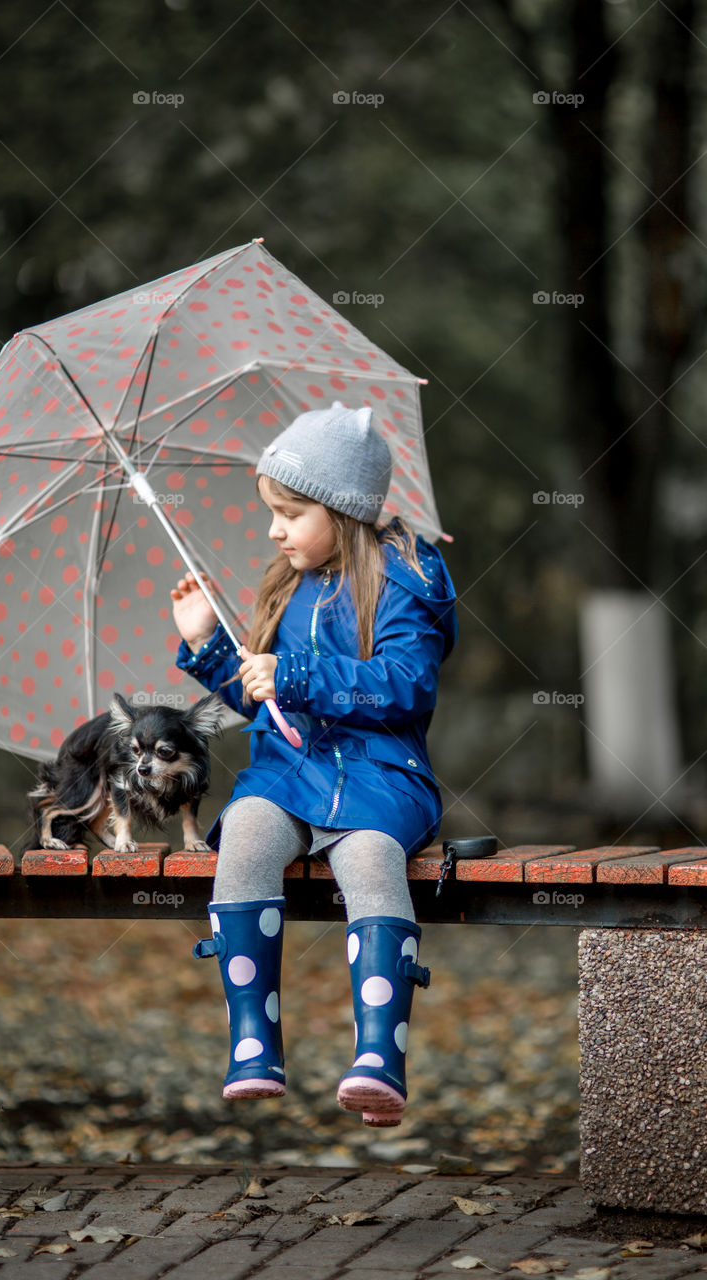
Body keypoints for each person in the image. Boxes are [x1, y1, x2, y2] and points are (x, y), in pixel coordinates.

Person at [171, 402, 457, 1127]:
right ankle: (252, 1042)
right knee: (244, 836)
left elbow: (407, 684)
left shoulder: (405, 580)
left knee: (366, 861)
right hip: (288, 777)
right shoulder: (285, 585)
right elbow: (261, 700)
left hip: (378, 775)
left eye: (291, 513)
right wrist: (208, 646)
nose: (275, 529)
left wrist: (297, 675)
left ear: (343, 510)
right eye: (273, 512)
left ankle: (378, 1056)